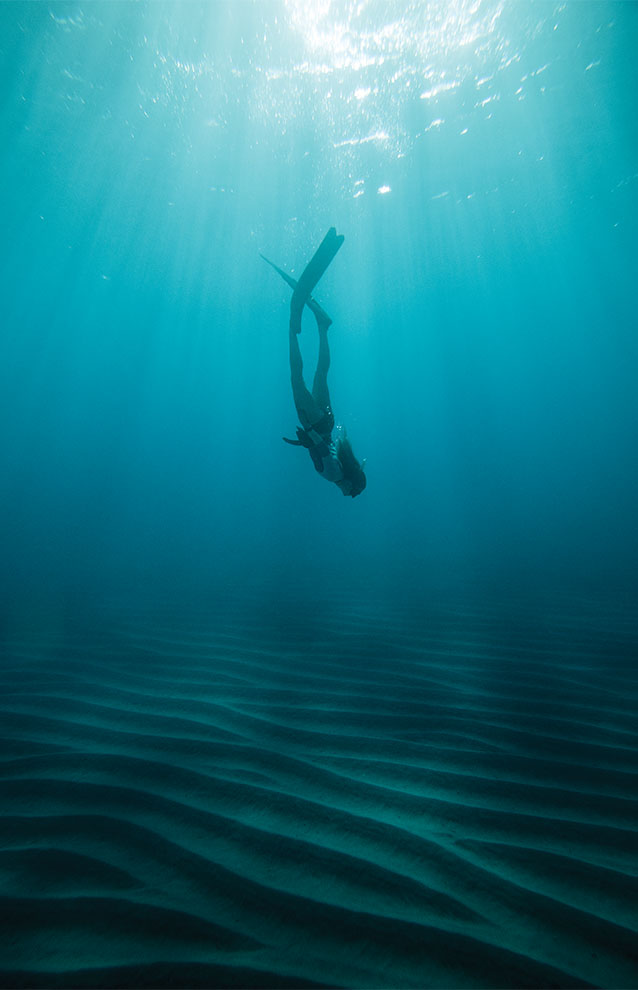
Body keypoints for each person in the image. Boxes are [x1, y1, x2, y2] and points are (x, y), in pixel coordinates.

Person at [262, 228, 367, 498]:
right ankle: (292, 325)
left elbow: (326, 448)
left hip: (327, 422)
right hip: (315, 424)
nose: (346, 493)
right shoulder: (335, 475)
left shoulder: (344, 468)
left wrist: (310, 439)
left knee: (321, 373)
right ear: (350, 483)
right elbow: (320, 448)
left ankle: (323, 326)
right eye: (350, 492)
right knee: (296, 377)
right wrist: (308, 432)